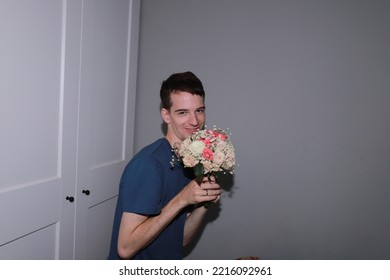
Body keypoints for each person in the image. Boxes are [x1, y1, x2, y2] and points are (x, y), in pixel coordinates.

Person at [107, 71, 221, 260]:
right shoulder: (148, 165)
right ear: (166, 115)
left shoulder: (190, 161)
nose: (195, 121)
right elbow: (125, 249)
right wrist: (182, 199)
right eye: (183, 112)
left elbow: (180, 239)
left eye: (199, 110)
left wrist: (205, 203)